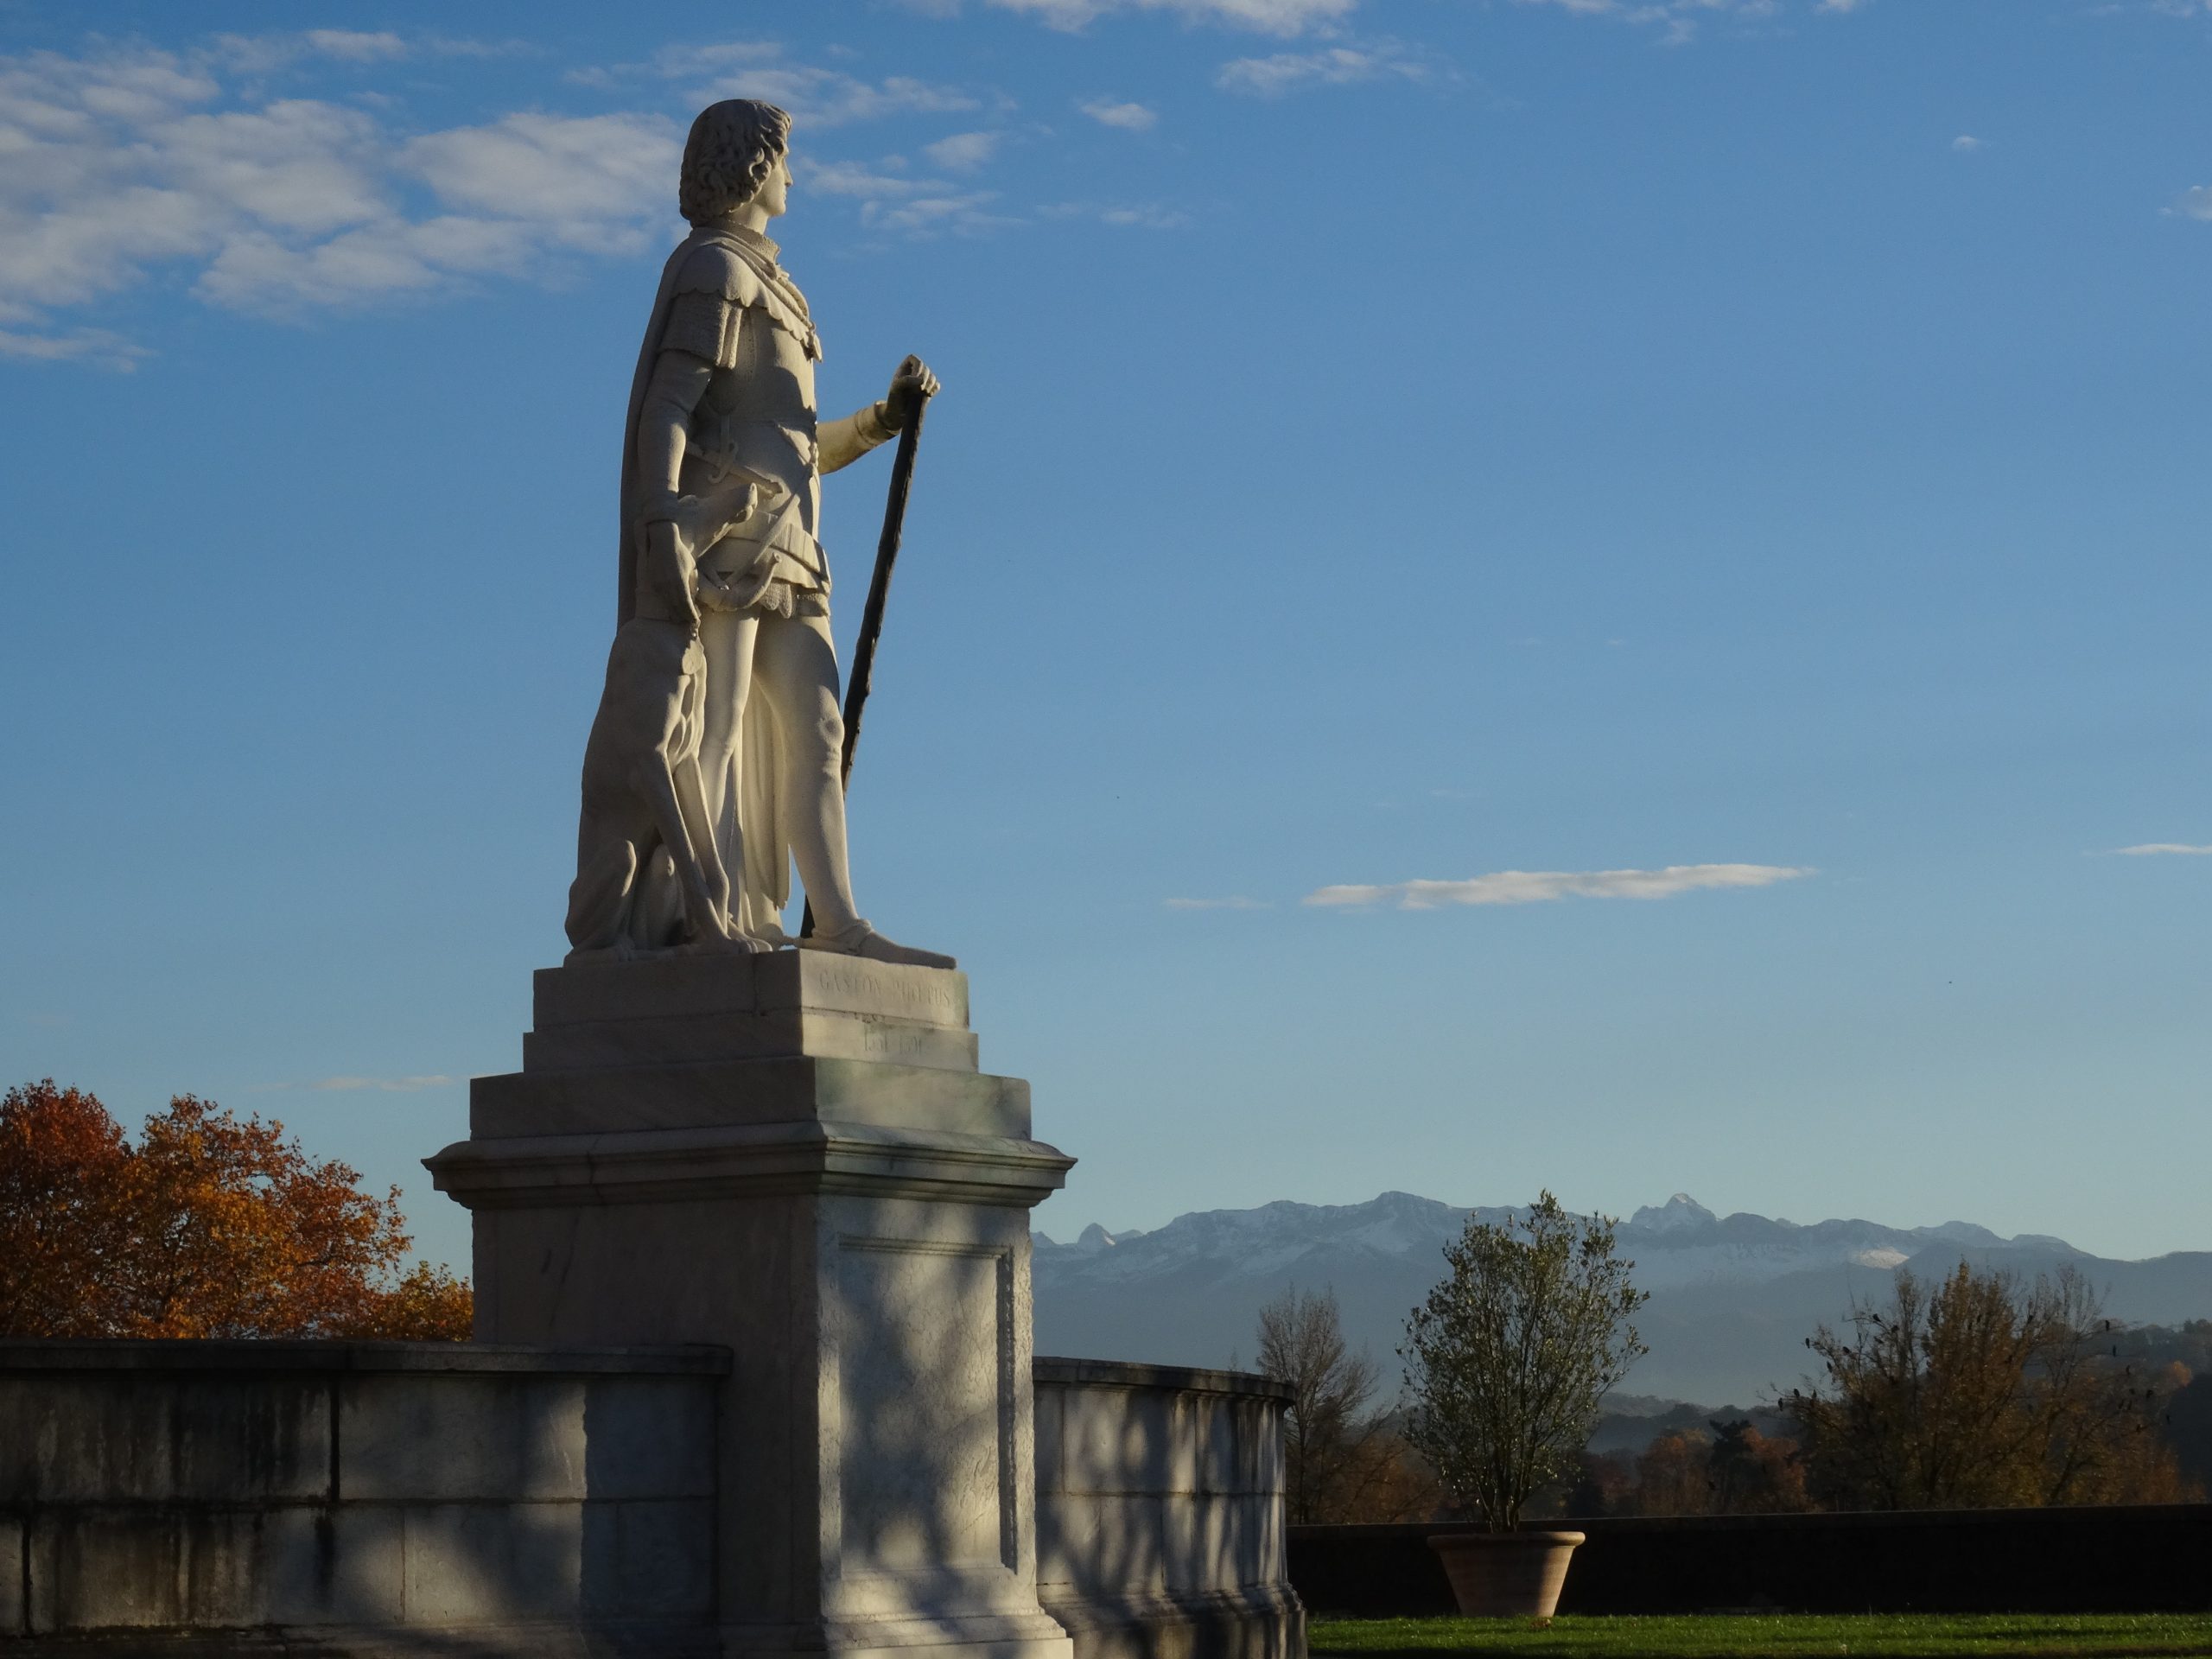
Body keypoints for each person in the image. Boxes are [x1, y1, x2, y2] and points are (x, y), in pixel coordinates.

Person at [615, 98, 951, 969]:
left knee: (817, 729)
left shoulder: (774, 285)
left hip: (794, 550)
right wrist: (662, 521)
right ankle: (711, 915)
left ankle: (837, 921)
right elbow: (667, 408)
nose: (793, 177)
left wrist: (882, 419)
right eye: (786, 161)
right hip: (724, 544)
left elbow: (799, 450)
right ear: (756, 166)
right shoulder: (714, 272)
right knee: (714, 730)